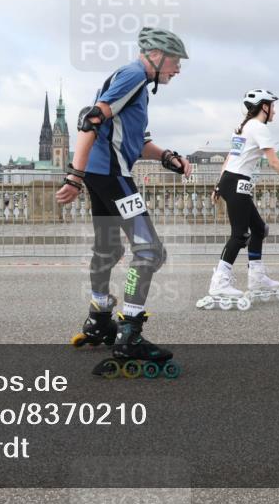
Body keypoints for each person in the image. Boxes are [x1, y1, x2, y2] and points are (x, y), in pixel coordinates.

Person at [56, 27, 191, 375]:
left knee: (108, 250)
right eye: (175, 61)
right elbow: (92, 120)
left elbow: (136, 140)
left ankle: (99, 317)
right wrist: (75, 175)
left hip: (104, 176)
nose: (177, 69)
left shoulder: (137, 86)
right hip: (113, 177)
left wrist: (167, 157)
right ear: (157, 56)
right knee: (150, 251)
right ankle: (129, 332)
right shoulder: (134, 74)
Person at [196, 89, 279, 311]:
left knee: (259, 229)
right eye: (272, 106)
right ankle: (219, 282)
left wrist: (219, 185)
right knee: (240, 235)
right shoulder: (259, 128)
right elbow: (274, 162)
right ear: (264, 107)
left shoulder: (245, 128)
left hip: (233, 181)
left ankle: (257, 277)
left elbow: (230, 158)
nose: (275, 110)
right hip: (237, 182)